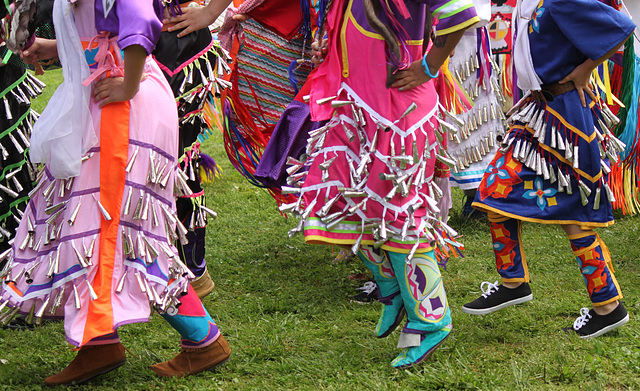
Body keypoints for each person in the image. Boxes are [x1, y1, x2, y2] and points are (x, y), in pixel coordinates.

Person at [0, 0, 230, 385]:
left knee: (123, 229)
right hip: (104, 100)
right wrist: (54, 48)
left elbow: (139, 19)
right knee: (82, 222)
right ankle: (98, 340)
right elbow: (104, 30)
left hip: (124, 106)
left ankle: (202, 337)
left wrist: (129, 84)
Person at [286, 0, 479, 368]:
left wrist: (428, 66)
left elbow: (460, 15)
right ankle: (390, 286)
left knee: (400, 220)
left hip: (398, 115)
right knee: (333, 204)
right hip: (353, 107)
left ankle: (430, 319)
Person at [463, 0, 635, 338]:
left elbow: (621, 28)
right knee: (495, 193)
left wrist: (587, 67)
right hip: (538, 112)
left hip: (565, 118)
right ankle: (516, 283)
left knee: (573, 215)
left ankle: (606, 307)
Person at [154, 0, 231, 299]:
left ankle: (191, 270)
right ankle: (152, 261)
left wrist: (211, 12)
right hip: (129, 39)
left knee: (178, 157)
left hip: (177, 43)